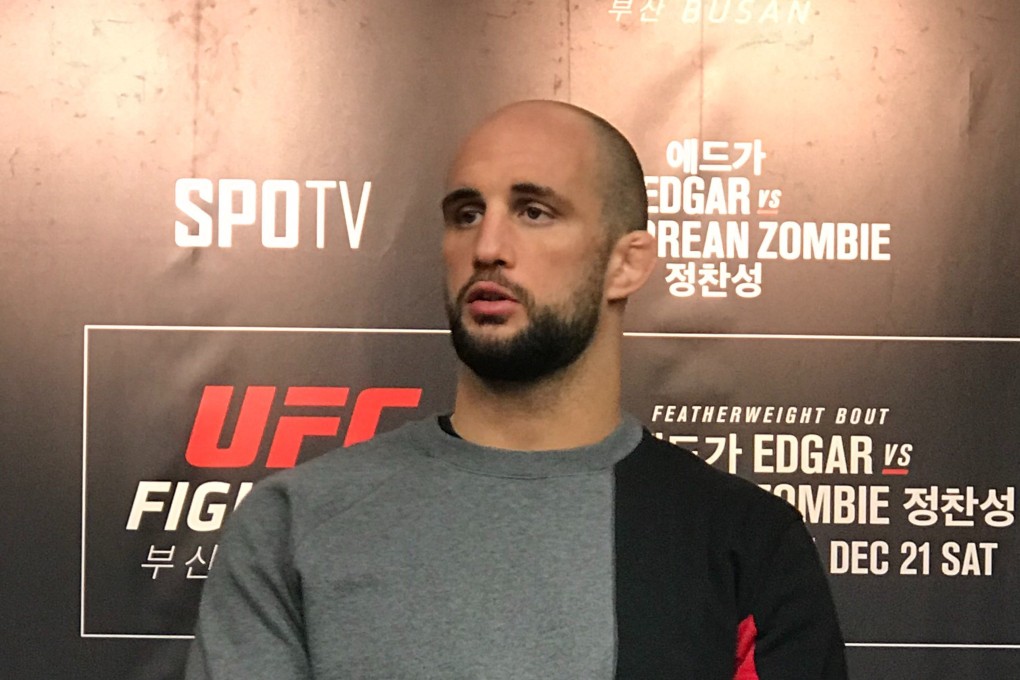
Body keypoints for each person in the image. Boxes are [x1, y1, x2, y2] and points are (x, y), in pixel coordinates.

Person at [186, 100, 847, 679]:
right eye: (465, 214)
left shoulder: (743, 543)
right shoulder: (292, 526)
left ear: (626, 262)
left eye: (534, 211)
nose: (488, 245)